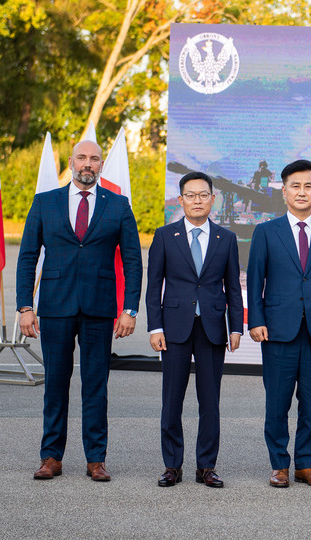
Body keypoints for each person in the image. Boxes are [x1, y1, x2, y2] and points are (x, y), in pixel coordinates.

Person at [16, 139, 142, 482]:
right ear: (70, 162)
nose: (88, 164)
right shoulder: (45, 203)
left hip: (101, 309)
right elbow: (28, 257)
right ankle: (51, 457)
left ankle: (95, 459)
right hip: (55, 307)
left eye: (95, 159)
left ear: (101, 165)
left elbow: (132, 261)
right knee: (55, 383)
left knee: (95, 385)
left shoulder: (118, 205)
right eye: (82, 157)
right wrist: (25, 306)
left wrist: (130, 309)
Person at [246, 159, 311, 488]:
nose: (301, 192)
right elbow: (256, 280)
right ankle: (279, 465)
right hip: (277, 330)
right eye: (295, 186)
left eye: (308, 186)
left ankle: (306, 464)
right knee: (277, 402)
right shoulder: (265, 232)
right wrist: (255, 320)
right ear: (285, 191)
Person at [145, 171, 244, 488]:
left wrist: (236, 327)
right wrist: (154, 327)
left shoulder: (226, 239)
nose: (197, 200)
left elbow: (233, 288)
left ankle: (207, 466)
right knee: (171, 400)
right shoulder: (164, 236)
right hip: (173, 329)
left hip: (213, 329)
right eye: (191, 195)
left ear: (213, 199)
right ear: (181, 199)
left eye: (204, 195)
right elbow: (153, 287)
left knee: (209, 401)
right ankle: (172, 465)